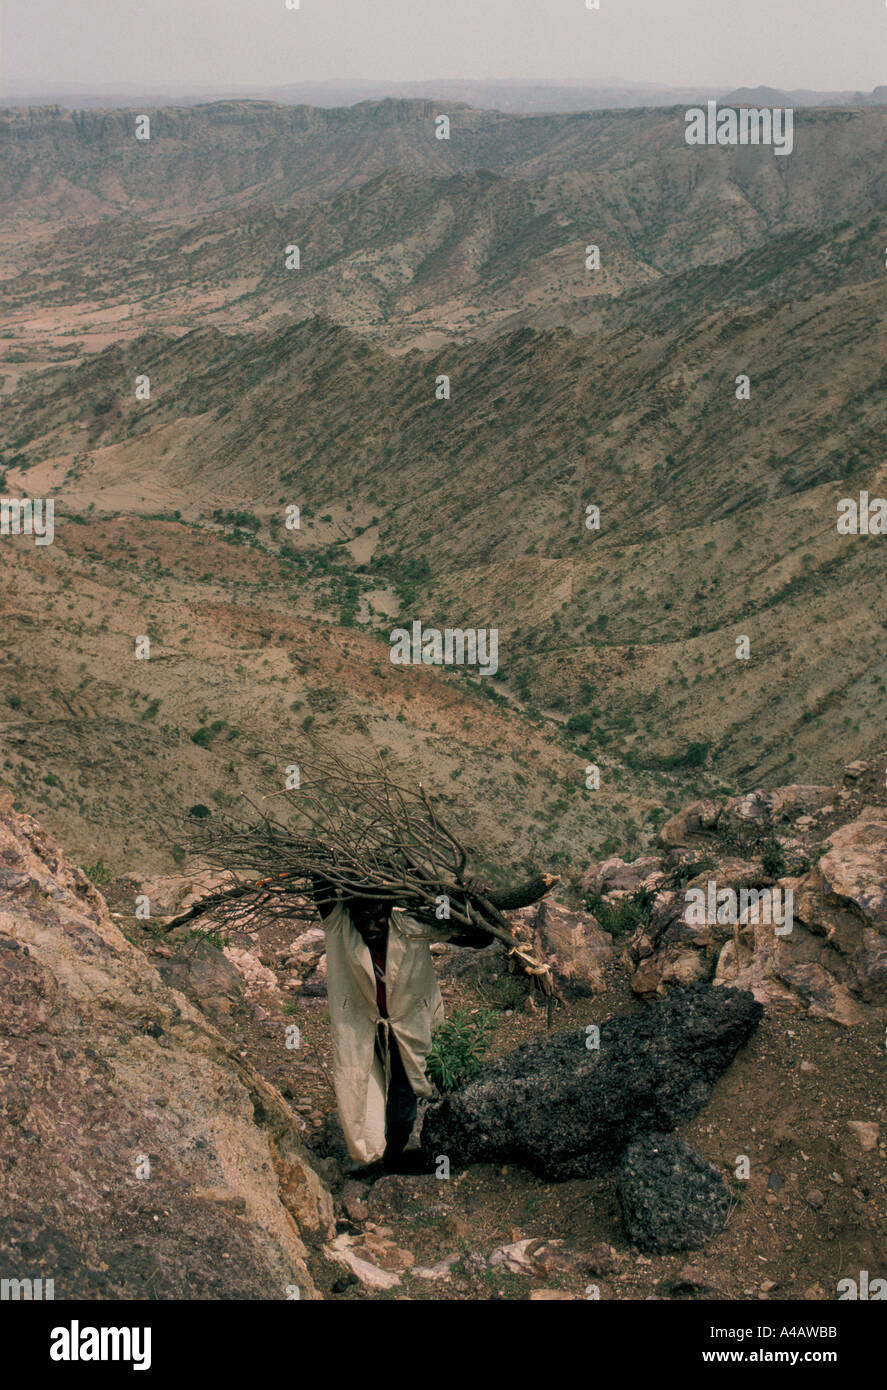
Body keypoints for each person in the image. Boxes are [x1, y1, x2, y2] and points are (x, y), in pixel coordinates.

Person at [310, 875, 490, 1173]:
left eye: (378, 918)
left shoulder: (411, 925)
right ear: (350, 912)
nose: (370, 927)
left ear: (390, 909)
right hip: (362, 1028)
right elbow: (321, 883)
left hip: (408, 1024)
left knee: (405, 1093)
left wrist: (472, 899)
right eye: (362, 918)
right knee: (361, 1094)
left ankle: (391, 1160)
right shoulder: (339, 925)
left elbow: (481, 938)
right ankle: (374, 1157)